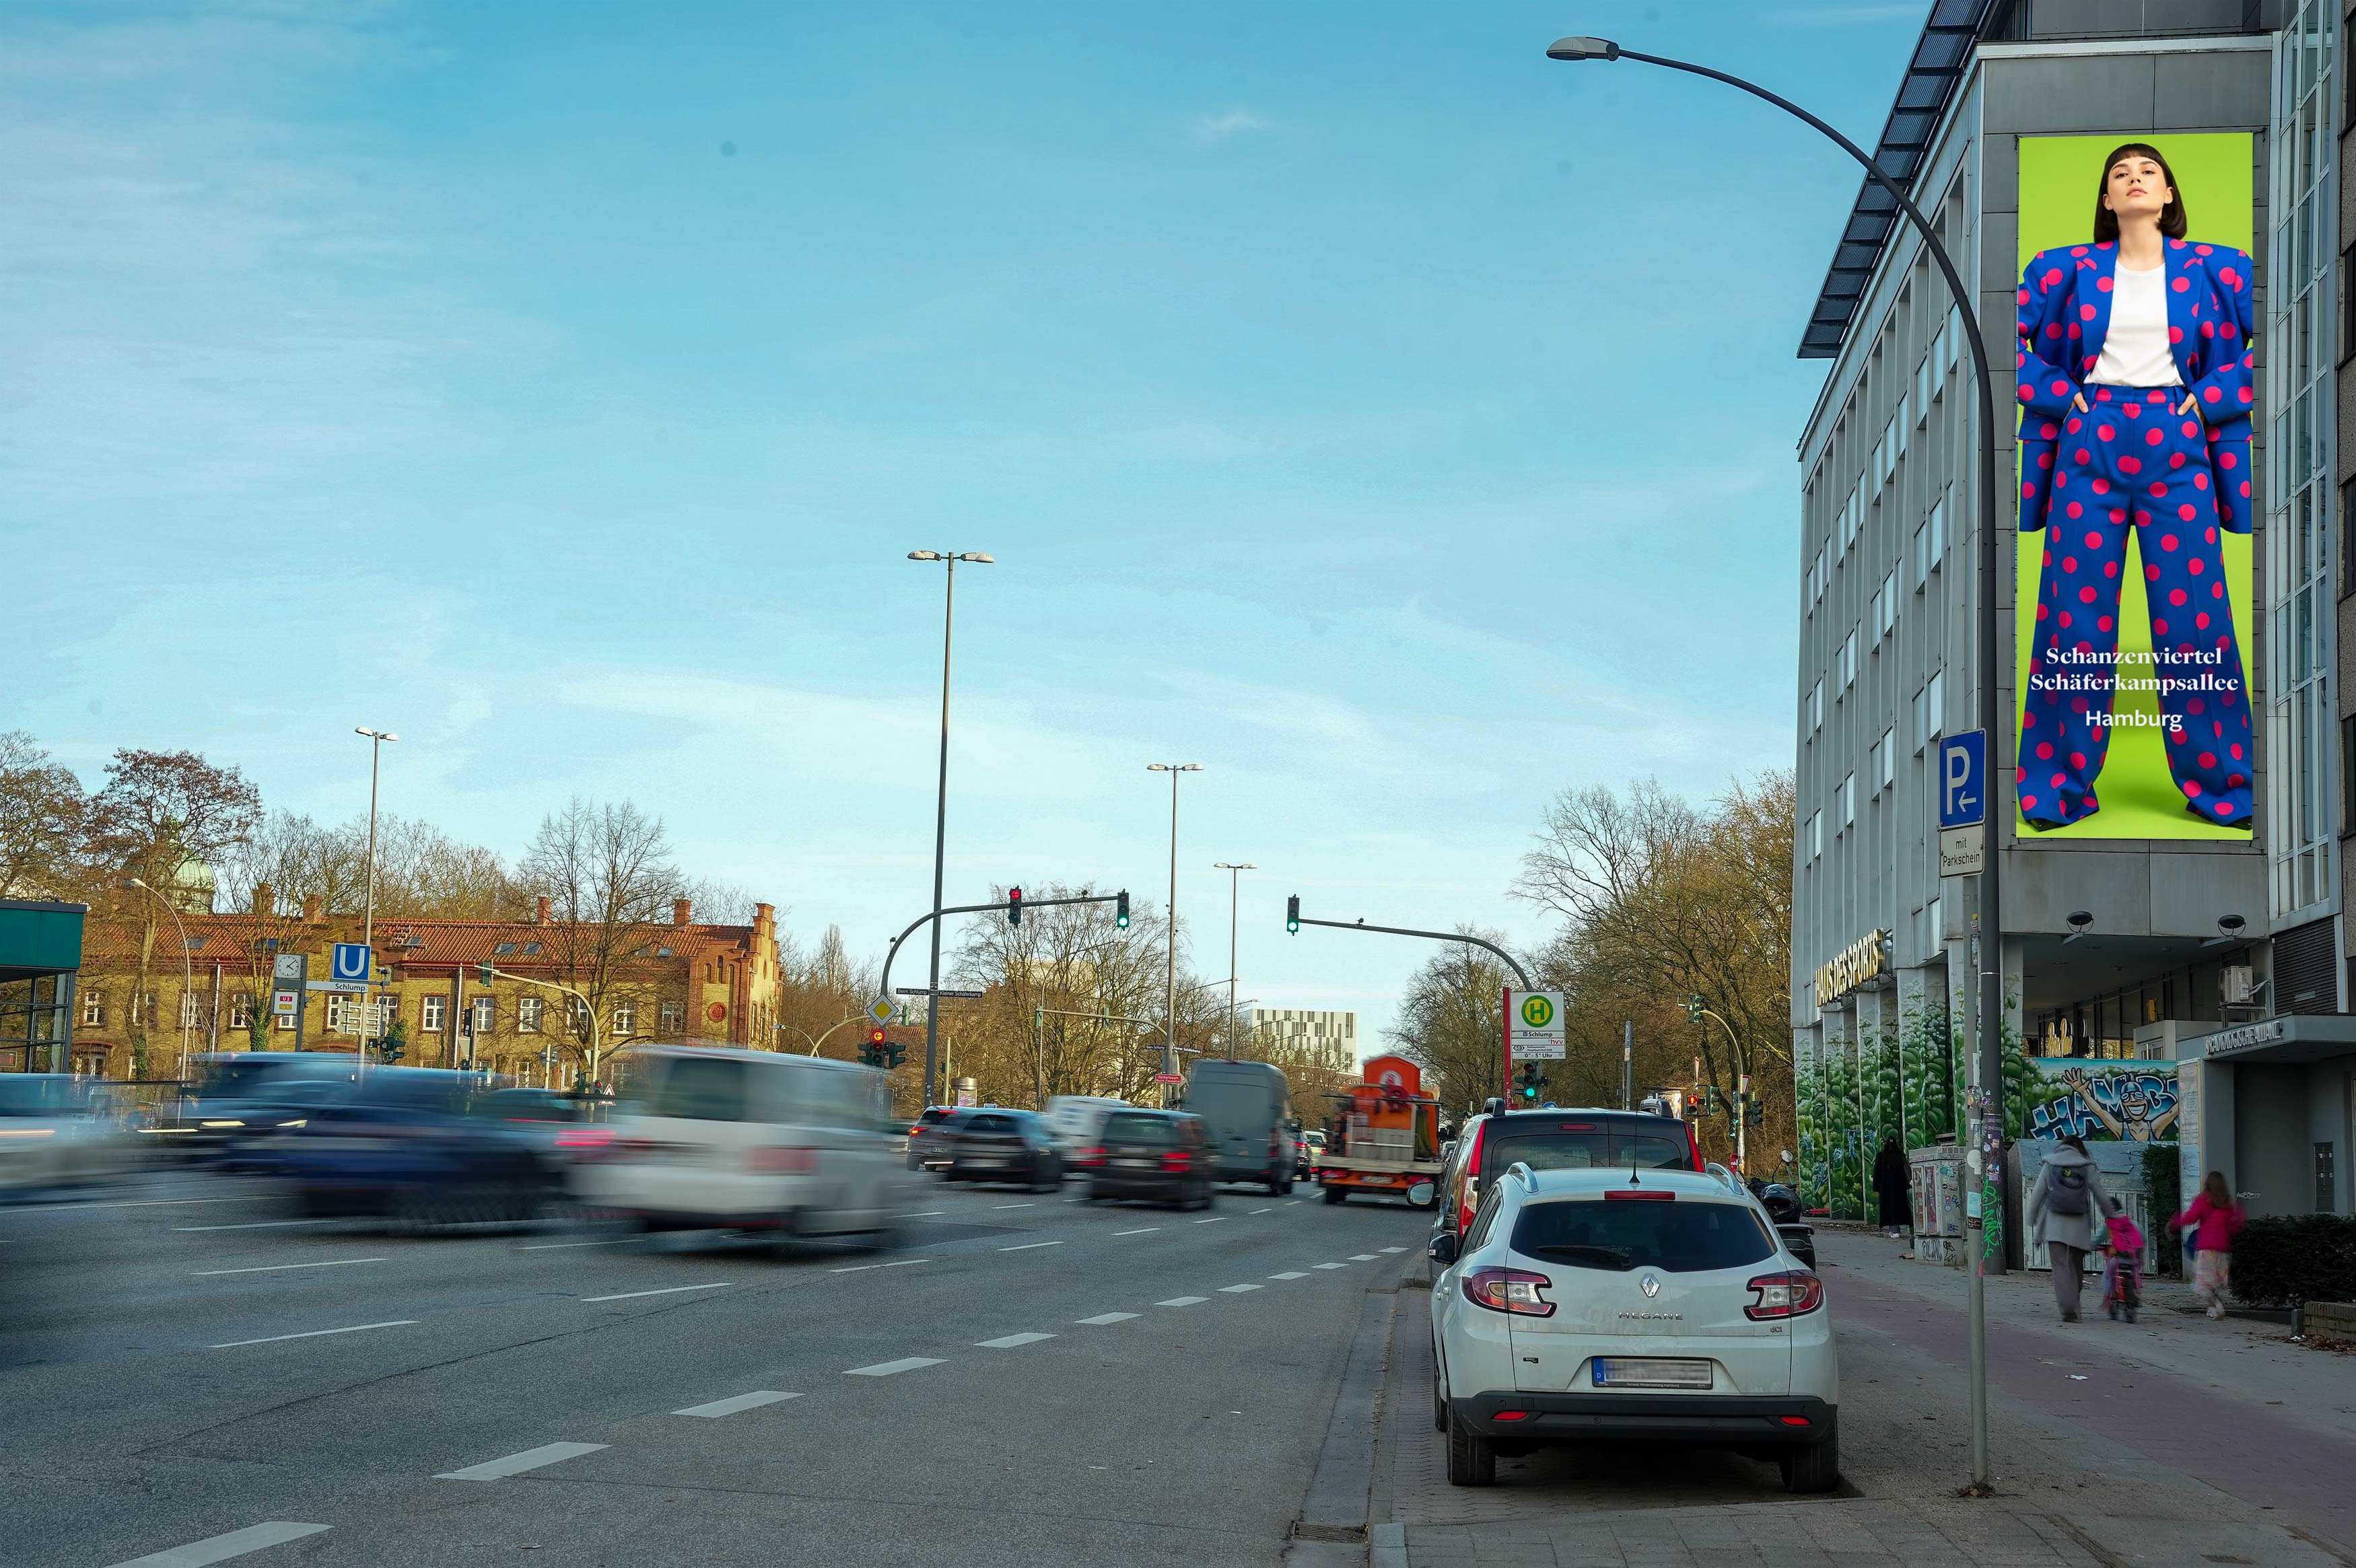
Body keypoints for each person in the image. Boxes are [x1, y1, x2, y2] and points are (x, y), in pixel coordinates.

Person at [2013, 143, 2257, 830]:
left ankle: (2225, 788)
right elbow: (1997, 333)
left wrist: (2212, 396)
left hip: (2178, 439)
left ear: (2169, 193)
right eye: (2120, 173)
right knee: (2071, 618)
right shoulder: (2060, 268)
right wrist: (2056, 392)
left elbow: (2290, 322)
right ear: (2106, 199)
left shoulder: (2221, 267)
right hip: (2087, 438)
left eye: (2148, 171)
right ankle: (2055, 789)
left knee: (2195, 619)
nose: (2134, 178)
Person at [2027, 1134, 2108, 1322]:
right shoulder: (2086, 1165)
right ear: (2080, 1149)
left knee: (2061, 1267)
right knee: (2076, 1267)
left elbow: (2038, 1192)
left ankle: (2068, 1307)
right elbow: (2100, 1194)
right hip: (2079, 1225)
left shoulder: (2051, 1163)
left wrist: (2032, 1217)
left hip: (2055, 1225)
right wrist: (2111, 1215)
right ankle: (2074, 1302)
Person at [2169, 1170, 2246, 1319]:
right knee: (2218, 1282)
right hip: (2223, 1249)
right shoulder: (2227, 1203)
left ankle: (2215, 1304)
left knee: (2204, 1283)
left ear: (2207, 1184)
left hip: (2206, 1248)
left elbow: (2191, 1217)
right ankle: (2213, 1309)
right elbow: (2235, 1224)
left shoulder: (2203, 1200)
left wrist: (2176, 1222)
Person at [1873, 1132, 1911, 1240]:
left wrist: (1876, 1187)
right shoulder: (1901, 1156)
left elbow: (1877, 1173)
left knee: (1888, 1209)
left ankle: (1894, 1230)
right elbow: (1906, 1171)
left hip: (1885, 1188)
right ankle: (1894, 1230)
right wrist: (1908, 1185)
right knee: (1899, 1208)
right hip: (1900, 1188)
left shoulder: (1881, 1156)